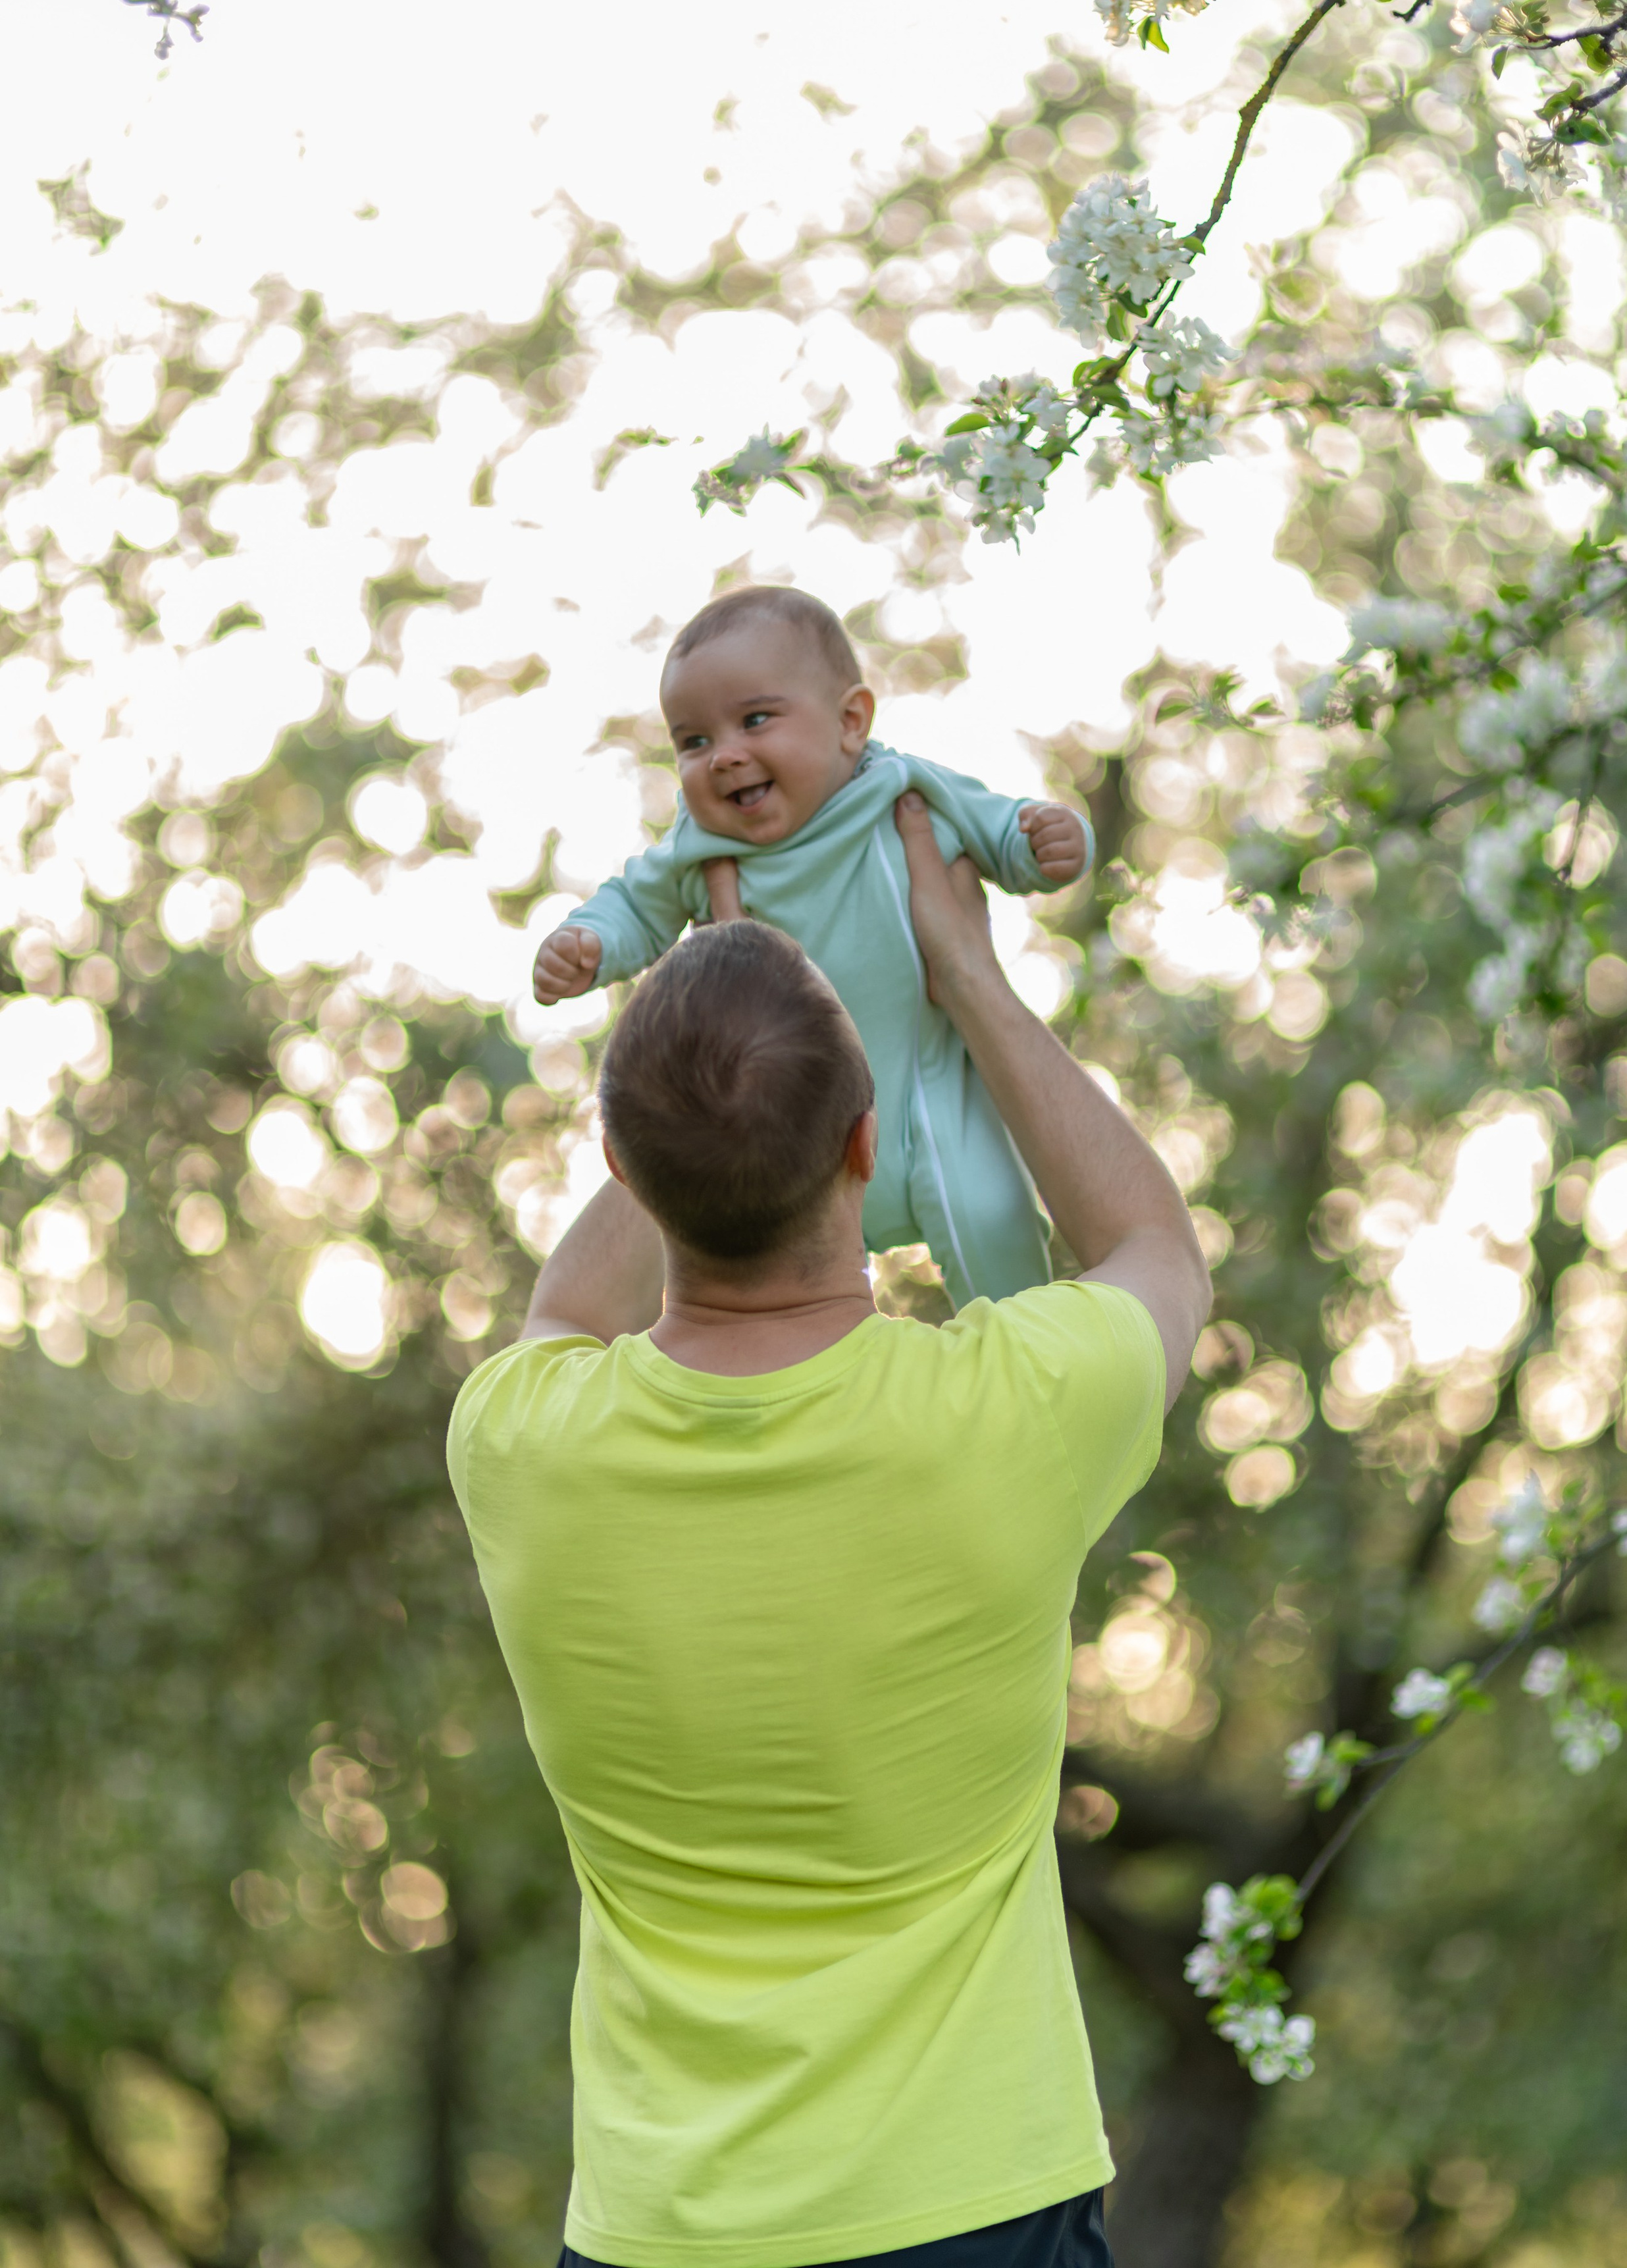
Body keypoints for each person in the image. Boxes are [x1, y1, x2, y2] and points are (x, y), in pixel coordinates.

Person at [452, 791, 1212, 2268]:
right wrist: (961, 978)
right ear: (868, 1145)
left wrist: (707, 1012)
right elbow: (1153, 1250)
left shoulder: (518, 1445)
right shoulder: (1007, 1411)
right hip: (976, 2211)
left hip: (660, 2232)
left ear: (618, 1165)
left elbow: (561, 1312)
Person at [530, 584, 1095, 1303]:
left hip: (933, 1108)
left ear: (850, 721)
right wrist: (587, 942)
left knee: (993, 1221)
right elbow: (633, 907)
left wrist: (1052, 842)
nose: (724, 757)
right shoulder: (697, 847)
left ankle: (1026, 1376)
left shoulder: (902, 792)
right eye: (693, 741)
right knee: (769, 1287)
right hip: (790, 1139)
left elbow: (1006, 833)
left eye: (754, 720)